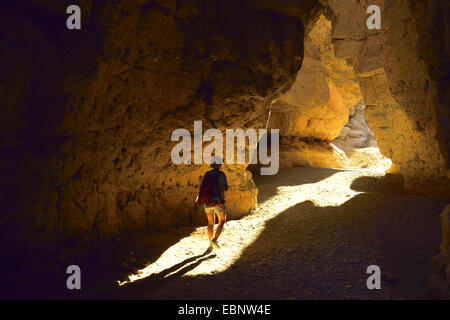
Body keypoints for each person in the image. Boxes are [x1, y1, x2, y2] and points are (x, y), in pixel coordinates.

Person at [197, 157, 228, 250]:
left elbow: (202, 187)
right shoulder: (221, 174)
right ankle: (215, 239)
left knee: (210, 223)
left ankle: (210, 245)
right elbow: (225, 187)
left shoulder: (207, 174)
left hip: (207, 202)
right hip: (218, 201)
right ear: (219, 165)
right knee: (222, 221)